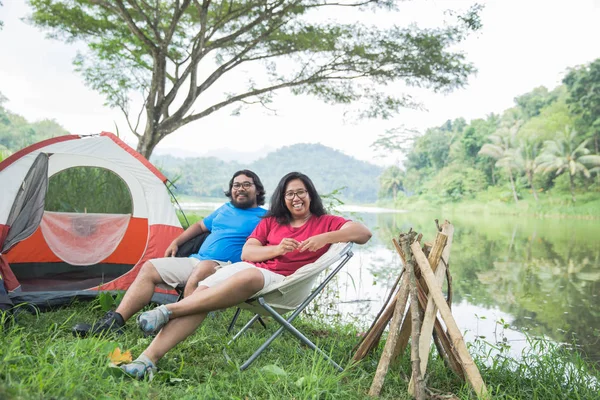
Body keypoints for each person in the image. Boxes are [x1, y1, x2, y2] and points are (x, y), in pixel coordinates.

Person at [120, 171, 372, 379]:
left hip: (283, 284)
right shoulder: (273, 221)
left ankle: (168, 311)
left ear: (310, 195)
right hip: (251, 270)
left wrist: (323, 237)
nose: (296, 198)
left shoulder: (326, 221)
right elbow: (248, 252)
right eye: (289, 193)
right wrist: (277, 248)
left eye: (301, 192)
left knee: (247, 277)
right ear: (282, 199)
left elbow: (363, 233)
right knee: (203, 296)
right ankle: (146, 360)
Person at [75, 170, 267, 336]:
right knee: (150, 267)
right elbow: (200, 226)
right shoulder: (225, 209)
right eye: (236, 185)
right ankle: (115, 321)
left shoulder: (265, 217)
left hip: (227, 269)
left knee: (202, 269)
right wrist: (176, 241)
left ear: (257, 189)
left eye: (246, 185)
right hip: (196, 261)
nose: (240, 188)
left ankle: (173, 328)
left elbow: (267, 246)